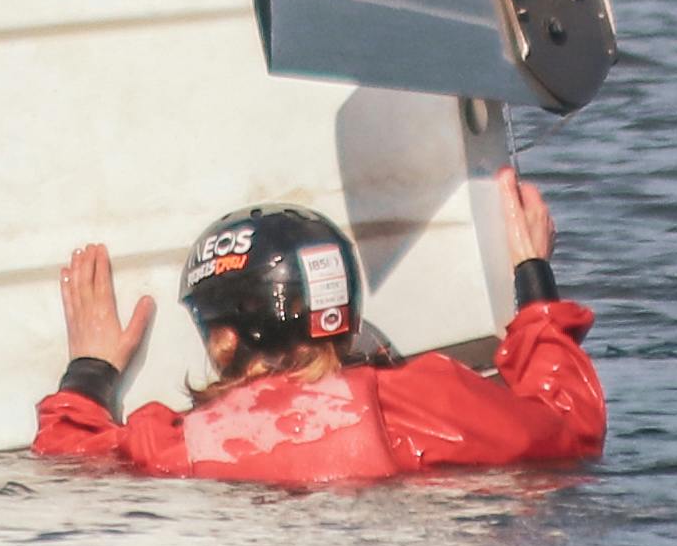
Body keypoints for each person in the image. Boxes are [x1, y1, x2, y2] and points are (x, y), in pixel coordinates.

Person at [33, 176, 600, 487]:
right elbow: (572, 427)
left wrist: (91, 368)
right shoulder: (426, 400)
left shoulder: (182, 443)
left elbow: (64, 456)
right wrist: (532, 275)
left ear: (223, 340)